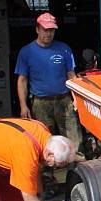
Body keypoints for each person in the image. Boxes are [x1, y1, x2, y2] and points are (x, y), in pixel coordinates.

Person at [15, 12, 90, 159]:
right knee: (43, 140)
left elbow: (71, 75)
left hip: (64, 100)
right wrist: (23, 106)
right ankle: (48, 176)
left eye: (51, 30)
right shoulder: (26, 52)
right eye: (45, 29)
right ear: (37, 29)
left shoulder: (64, 49)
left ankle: (77, 171)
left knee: (74, 136)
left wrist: (76, 98)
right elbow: (22, 80)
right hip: (40, 103)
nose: (48, 34)